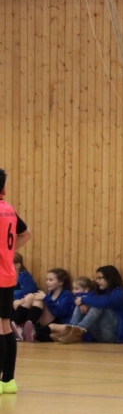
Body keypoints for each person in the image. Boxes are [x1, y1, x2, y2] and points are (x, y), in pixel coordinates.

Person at [0, 168, 32, 395]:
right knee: (5, 326)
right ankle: (8, 380)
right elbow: (26, 233)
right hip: (8, 274)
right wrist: (8, 254)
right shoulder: (9, 209)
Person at [50, 266, 123, 344]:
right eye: (97, 278)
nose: (97, 281)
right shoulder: (100, 292)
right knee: (87, 301)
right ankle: (71, 330)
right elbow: (79, 296)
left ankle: (77, 331)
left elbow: (104, 302)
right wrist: (82, 303)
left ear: (109, 278)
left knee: (97, 304)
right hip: (99, 335)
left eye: (100, 278)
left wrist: (83, 300)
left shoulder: (119, 292)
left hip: (116, 336)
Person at [12, 268, 74, 343]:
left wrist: (45, 298)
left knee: (38, 300)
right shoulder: (50, 294)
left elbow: (61, 313)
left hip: (58, 322)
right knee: (30, 296)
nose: (47, 282)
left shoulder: (67, 295)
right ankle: (17, 325)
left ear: (61, 282)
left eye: (51, 280)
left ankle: (25, 328)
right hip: (45, 321)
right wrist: (22, 301)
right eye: (47, 280)